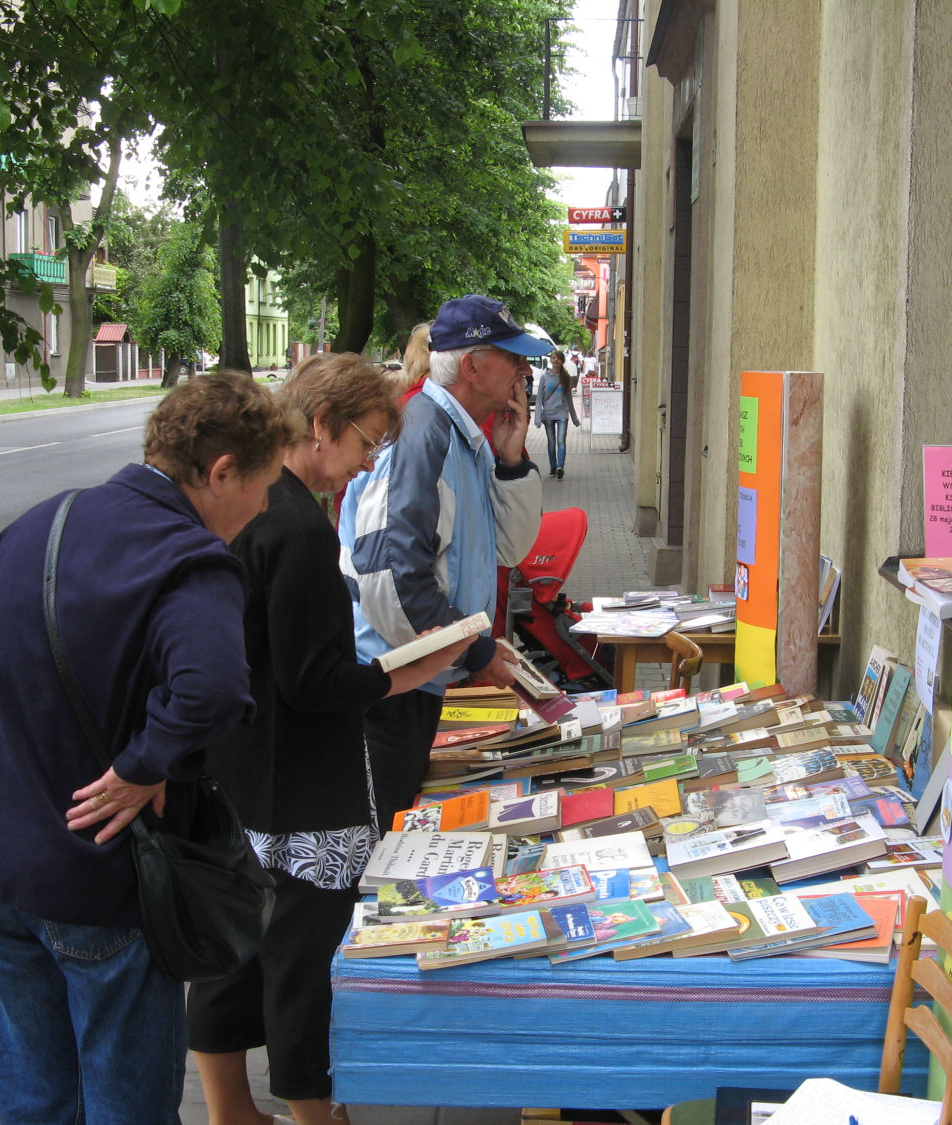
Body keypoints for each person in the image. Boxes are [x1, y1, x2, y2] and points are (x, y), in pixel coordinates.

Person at [0, 370, 293, 1125]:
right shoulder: (192, 559)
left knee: (36, 1104)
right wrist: (141, 765)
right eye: (267, 483)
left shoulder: (41, 524)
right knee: (128, 1108)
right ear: (222, 473)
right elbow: (212, 689)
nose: (267, 504)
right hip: (99, 879)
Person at [188, 354, 472, 1125]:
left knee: (229, 950)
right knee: (303, 961)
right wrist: (406, 671)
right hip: (303, 787)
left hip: (236, 768)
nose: (366, 464)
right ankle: (317, 1112)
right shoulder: (299, 527)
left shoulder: (243, 512)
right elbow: (314, 681)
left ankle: (229, 1110)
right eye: (366, 443)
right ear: (320, 426)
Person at [338, 294, 548, 831]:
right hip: (393, 684)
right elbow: (393, 577)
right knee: (386, 834)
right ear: (473, 367)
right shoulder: (424, 433)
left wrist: (512, 459)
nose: (524, 371)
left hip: (422, 673)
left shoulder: (461, 433)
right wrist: (475, 650)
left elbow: (506, 548)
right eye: (512, 357)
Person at [535, 348, 581, 479]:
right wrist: (537, 418)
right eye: (553, 357)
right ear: (551, 360)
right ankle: (553, 467)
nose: (555, 360)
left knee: (561, 440)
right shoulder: (544, 377)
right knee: (551, 442)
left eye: (558, 358)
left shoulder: (566, 378)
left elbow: (569, 400)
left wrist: (574, 419)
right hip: (548, 414)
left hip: (562, 413)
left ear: (562, 361)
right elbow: (539, 399)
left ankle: (560, 466)